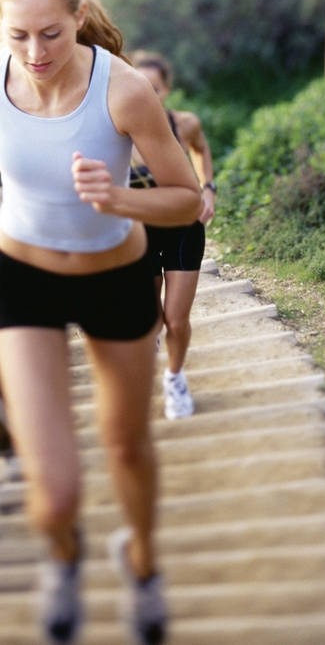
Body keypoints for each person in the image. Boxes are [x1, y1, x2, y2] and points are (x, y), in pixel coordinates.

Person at [0, 0, 202, 643]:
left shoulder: (122, 92)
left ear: (78, 17)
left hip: (115, 278)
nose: (34, 52)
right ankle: (64, 556)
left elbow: (186, 203)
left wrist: (118, 198)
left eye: (50, 34)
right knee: (52, 493)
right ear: (1, 25)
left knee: (125, 446)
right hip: (21, 278)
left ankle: (142, 565)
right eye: (18, 35)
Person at [128, 50, 216, 421]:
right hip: (139, 231)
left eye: (155, 86)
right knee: (150, 320)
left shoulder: (184, 124)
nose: (147, 91)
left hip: (183, 228)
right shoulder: (119, 129)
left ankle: (175, 379)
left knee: (176, 319)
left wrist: (208, 187)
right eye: (140, 84)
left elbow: (201, 148)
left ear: (165, 89)